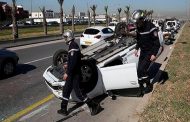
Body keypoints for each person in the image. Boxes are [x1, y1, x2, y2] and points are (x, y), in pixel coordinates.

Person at [57, 30, 100, 116]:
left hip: (74, 73)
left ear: (68, 37)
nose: (64, 39)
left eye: (65, 37)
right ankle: (63, 109)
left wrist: (67, 73)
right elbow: (76, 58)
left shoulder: (73, 46)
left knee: (79, 93)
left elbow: (73, 63)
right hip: (72, 72)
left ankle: (94, 105)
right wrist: (67, 64)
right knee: (66, 89)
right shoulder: (72, 45)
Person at [131, 10, 160, 94]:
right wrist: (136, 48)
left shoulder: (151, 27)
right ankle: (140, 84)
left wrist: (154, 54)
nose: (136, 24)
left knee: (142, 69)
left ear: (142, 19)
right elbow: (139, 40)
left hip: (150, 52)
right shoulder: (139, 28)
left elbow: (156, 43)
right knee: (139, 70)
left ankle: (149, 85)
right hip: (143, 51)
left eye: (137, 22)